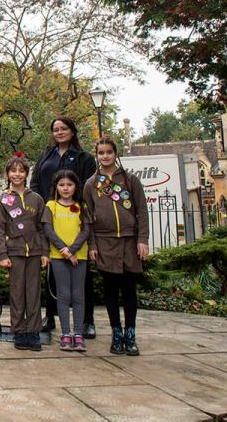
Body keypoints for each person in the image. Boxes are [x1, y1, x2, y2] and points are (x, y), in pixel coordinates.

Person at [29, 116, 97, 337]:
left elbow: (88, 187)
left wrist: (75, 204)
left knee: (81, 273)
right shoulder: (45, 156)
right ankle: (50, 315)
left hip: (75, 216)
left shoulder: (84, 158)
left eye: (63, 129)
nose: (59, 132)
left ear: (72, 131)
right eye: (55, 129)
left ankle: (87, 320)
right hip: (50, 214)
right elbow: (35, 183)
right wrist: (44, 206)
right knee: (51, 268)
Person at [84, 136, 149, 356]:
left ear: (115, 153)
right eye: (101, 153)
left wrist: (143, 240)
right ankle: (116, 333)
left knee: (129, 291)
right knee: (110, 291)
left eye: (108, 152)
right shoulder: (92, 184)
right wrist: (92, 244)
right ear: (97, 155)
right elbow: (88, 218)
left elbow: (141, 211)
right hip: (105, 242)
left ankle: (130, 333)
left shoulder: (130, 180)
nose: (105, 156)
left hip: (130, 242)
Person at [0, 153, 48, 351]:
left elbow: (42, 228)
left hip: (34, 253)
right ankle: (19, 331)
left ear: (26, 173)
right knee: (17, 293)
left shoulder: (36, 199)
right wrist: (2, 255)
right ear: (7, 174)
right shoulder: (3, 200)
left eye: (21, 171)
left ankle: (33, 331)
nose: (17, 174)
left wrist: (44, 252)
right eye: (13, 171)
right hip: (14, 253)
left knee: (33, 293)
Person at [43, 169, 91, 352]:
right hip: (58, 257)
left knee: (78, 295)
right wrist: (64, 250)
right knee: (63, 295)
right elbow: (48, 230)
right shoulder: (50, 206)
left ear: (76, 186)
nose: (65, 188)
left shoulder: (82, 206)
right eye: (61, 185)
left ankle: (78, 334)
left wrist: (72, 250)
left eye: (69, 185)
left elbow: (86, 231)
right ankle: (66, 334)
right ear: (56, 186)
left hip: (79, 257)